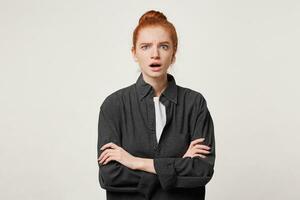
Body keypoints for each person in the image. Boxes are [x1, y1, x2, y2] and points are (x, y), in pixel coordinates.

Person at [97, 10, 215, 200]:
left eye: (164, 46)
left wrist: (135, 162)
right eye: (145, 47)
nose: (155, 54)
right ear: (134, 53)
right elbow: (110, 176)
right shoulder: (113, 106)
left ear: (173, 53)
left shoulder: (195, 104)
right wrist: (177, 167)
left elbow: (201, 171)